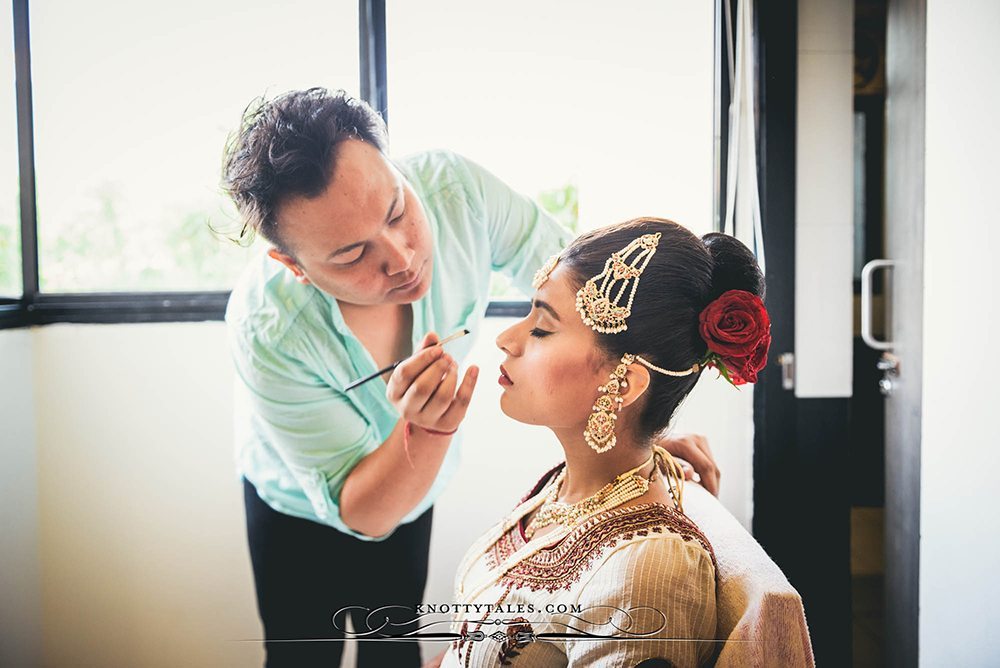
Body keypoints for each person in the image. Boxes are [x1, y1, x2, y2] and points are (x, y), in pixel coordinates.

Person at [221, 87, 722, 668]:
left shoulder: (458, 193)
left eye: (396, 211)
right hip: (297, 509)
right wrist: (428, 433)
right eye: (352, 255)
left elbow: (597, 301)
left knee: (393, 646)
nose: (402, 258)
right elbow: (364, 512)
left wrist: (643, 429)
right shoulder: (267, 329)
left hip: (414, 489)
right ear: (294, 266)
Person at [432, 218, 771, 668]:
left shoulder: (648, 569)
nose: (505, 339)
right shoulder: (563, 489)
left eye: (541, 329)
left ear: (624, 383)